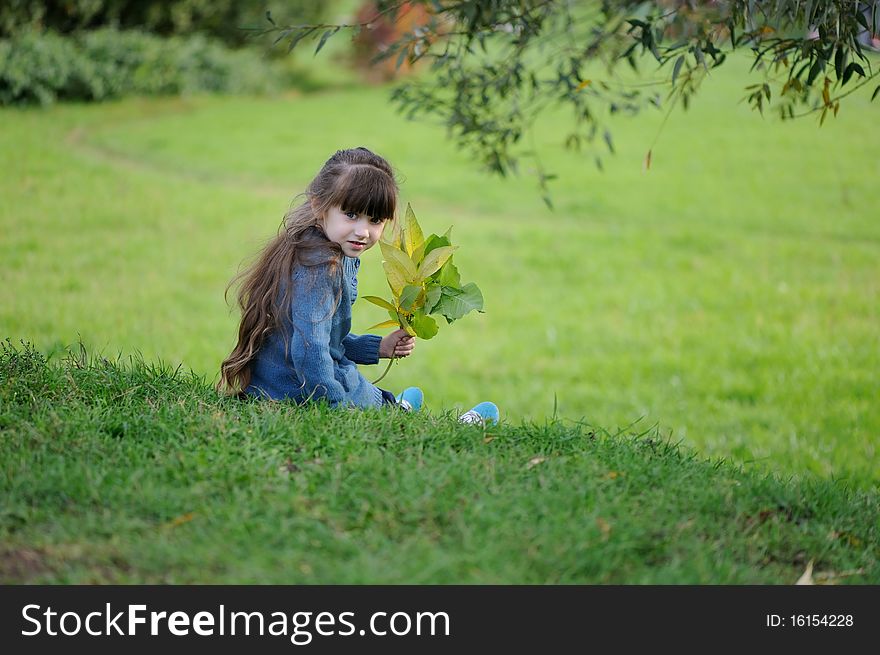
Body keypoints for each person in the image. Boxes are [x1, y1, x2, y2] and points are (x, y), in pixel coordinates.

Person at [217, 147, 499, 425]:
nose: (363, 231)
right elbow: (311, 350)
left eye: (375, 220)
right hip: (298, 391)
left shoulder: (326, 247)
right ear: (319, 206)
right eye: (351, 214)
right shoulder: (319, 268)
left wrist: (377, 348)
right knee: (378, 407)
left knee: (369, 392)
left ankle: (392, 406)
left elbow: (321, 335)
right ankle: (437, 421)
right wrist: (338, 408)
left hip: (283, 382)